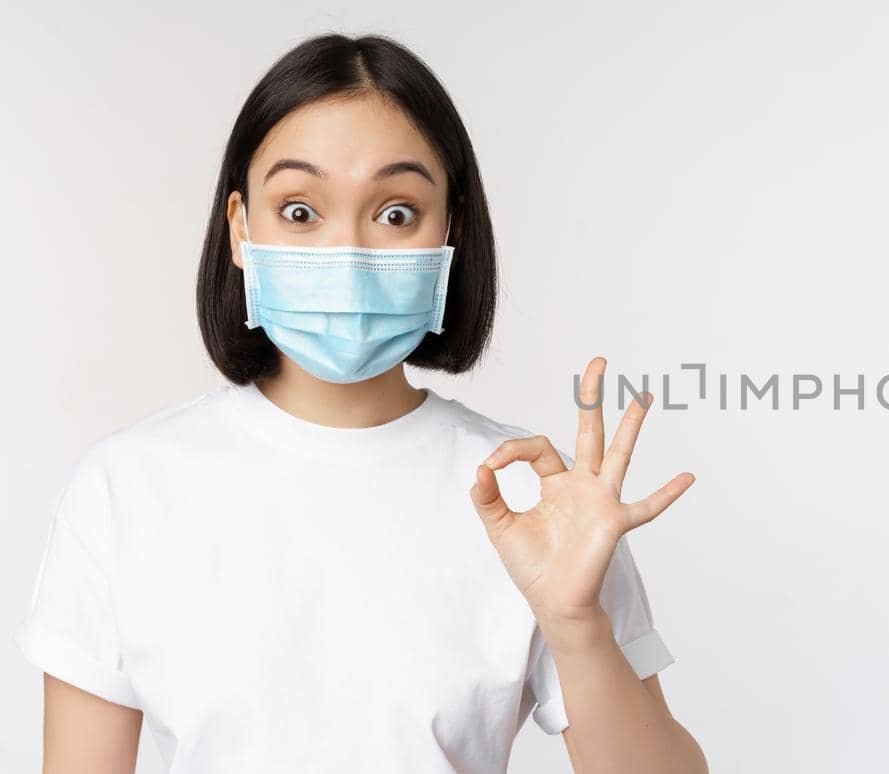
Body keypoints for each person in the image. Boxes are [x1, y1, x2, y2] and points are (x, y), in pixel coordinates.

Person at [12, 33, 708, 774]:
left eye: (397, 213)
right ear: (243, 229)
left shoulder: (531, 499)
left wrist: (578, 626)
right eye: (301, 211)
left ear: (454, 231)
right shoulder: (127, 491)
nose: (346, 252)